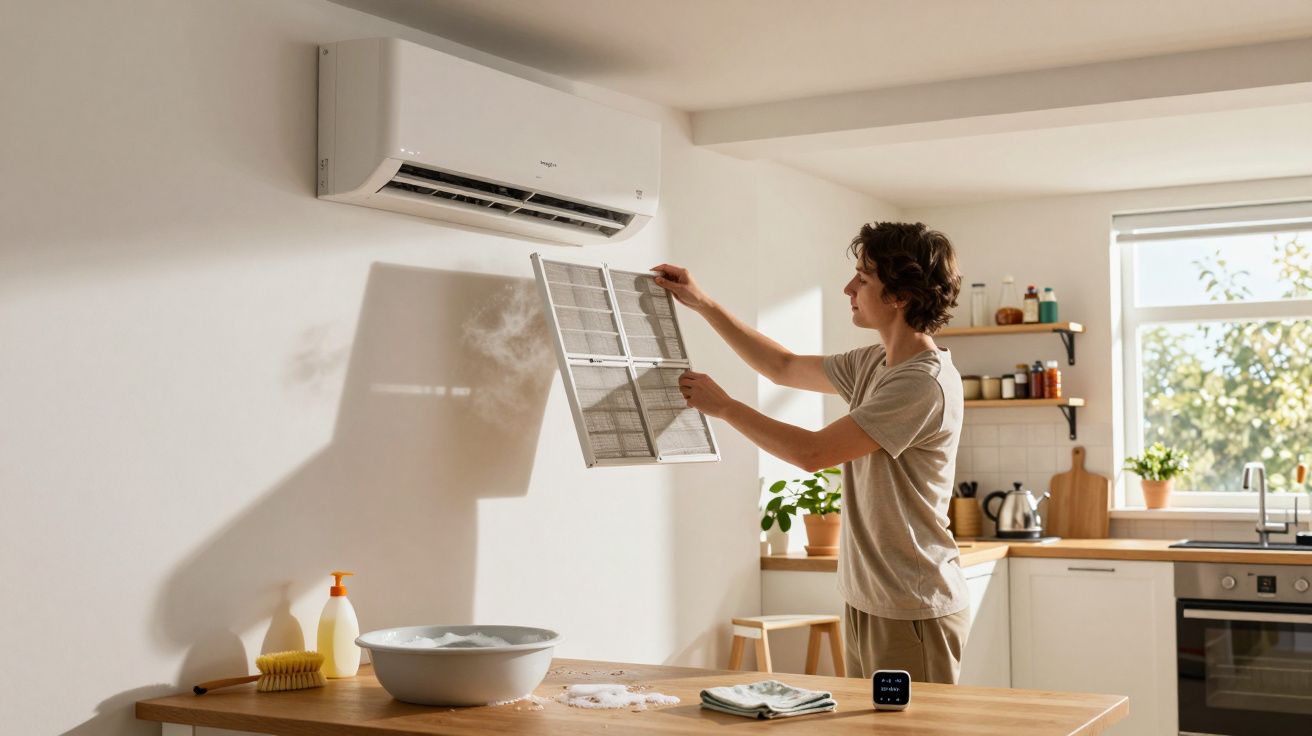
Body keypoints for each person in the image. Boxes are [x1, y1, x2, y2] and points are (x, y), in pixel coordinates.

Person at [652, 221, 969, 684]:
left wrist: (725, 408)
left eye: (863, 277)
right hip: (869, 598)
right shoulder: (874, 363)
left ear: (900, 295)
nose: (849, 288)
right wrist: (703, 304)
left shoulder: (921, 382)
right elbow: (781, 366)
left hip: (912, 606)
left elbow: (814, 453)